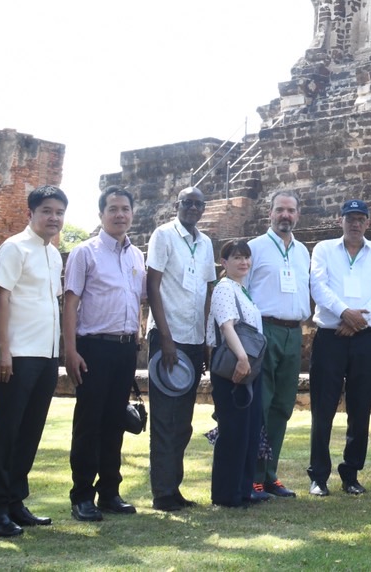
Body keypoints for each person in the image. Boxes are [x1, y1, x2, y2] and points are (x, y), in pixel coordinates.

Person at [0, 184, 66, 538]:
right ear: (30, 213)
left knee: (30, 431)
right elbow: (0, 298)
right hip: (17, 354)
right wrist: (2, 351)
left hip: (46, 355)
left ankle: (16, 500)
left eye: (59, 212)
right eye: (46, 210)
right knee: (6, 431)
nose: (54, 218)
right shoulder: (15, 248)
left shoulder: (55, 254)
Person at [63, 186, 147, 521]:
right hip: (93, 348)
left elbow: (136, 300)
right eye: (113, 209)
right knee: (89, 422)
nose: (120, 214)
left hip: (125, 349)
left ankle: (109, 491)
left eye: (125, 208)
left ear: (132, 213)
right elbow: (70, 303)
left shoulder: (136, 255)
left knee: (115, 422)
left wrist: (138, 334)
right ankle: (81, 494)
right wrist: (70, 350)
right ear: (101, 214)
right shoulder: (85, 252)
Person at [308, 198, 371, 496]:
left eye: (360, 218)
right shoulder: (324, 250)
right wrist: (345, 312)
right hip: (331, 336)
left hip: (365, 338)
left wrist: (359, 319)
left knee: (359, 407)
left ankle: (351, 473)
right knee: (323, 407)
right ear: (340, 220)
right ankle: (318, 476)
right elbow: (318, 286)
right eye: (350, 218)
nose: (355, 223)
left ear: (368, 223)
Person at [144, 186, 217, 512]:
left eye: (198, 204)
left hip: (192, 338)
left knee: (183, 421)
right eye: (187, 203)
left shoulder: (205, 243)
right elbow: (153, 286)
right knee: (164, 418)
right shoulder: (163, 235)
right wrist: (167, 337)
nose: (192, 208)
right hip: (167, 338)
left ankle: (174, 488)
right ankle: (162, 494)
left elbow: (206, 291)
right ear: (177, 205)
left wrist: (203, 340)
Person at [246, 190, 308, 498]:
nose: (285, 215)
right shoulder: (255, 248)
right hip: (264, 330)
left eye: (291, 210)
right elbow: (240, 290)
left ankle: (271, 474)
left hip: (293, 332)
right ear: (269, 213)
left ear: (298, 215)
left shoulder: (302, 251)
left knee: (283, 405)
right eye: (280, 210)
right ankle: (254, 475)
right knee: (262, 403)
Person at [207, 240, 267, 507]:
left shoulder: (243, 289)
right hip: (233, 367)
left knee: (250, 431)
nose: (243, 262)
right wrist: (242, 358)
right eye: (237, 258)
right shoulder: (224, 289)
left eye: (246, 257)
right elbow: (227, 326)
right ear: (224, 262)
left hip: (250, 369)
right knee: (233, 431)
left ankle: (243, 489)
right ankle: (226, 493)